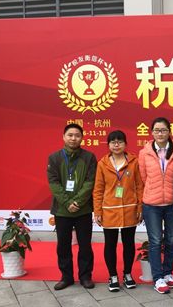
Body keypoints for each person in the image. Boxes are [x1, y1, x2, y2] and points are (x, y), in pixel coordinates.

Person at [47, 123, 97, 290]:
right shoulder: (54, 158)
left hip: (83, 210)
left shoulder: (89, 157)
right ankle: (66, 277)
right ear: (63, 137)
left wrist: (77, 202)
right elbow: (53, 183)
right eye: (70, 135)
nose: (73, 138)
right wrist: (68, 202)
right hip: (62, 211)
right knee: (63, 246)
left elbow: (90, 182)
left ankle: (85, 276)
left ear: (82, 138)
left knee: (85, 245)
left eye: (77, 135)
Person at [93, 131, 144, 292]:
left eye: (120, 142)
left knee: (129, 244)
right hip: (109, 210)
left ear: (125, 144)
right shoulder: (102, 164)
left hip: (130, 209)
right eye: (113, 142)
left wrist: (140, 207)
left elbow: (139, 186)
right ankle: (113, 276)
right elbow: (98, 189)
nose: (116, 145)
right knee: (110, 244)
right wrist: (97, 211)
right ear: (108, 145)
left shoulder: (134, 162)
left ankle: (127, 274)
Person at [138, 117, 173, 294]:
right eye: (156, 130)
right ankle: (157, 278)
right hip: (152, 205)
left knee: (171, 240)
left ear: (169, 132)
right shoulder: (144, 153)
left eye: (163, 130)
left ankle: (168, 272)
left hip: (172, 203)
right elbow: (143, 177)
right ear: (152, 132)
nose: (160, 133)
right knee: (155, 241)